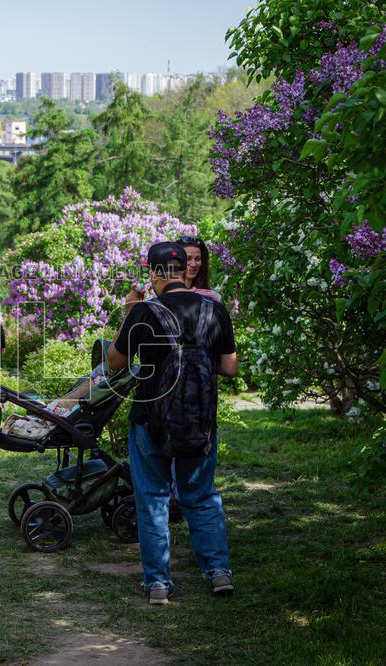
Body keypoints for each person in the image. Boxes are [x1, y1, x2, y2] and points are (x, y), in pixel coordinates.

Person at [107, 241, 238, 605]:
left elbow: (115, 361)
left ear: (154, 273)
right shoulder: (214, 309)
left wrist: (130, 311)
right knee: (201, 495)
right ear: (183, 271)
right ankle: (218, 572)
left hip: (150, 419)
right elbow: (229, 367)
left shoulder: (145, 311)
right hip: (200, 422)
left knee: (152, 499)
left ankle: (158, 584)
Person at [178, 235, 221, 301]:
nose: (193, 264)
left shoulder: (210, 296)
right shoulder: (167, 295)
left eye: (198, 259)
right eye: (188, 258)